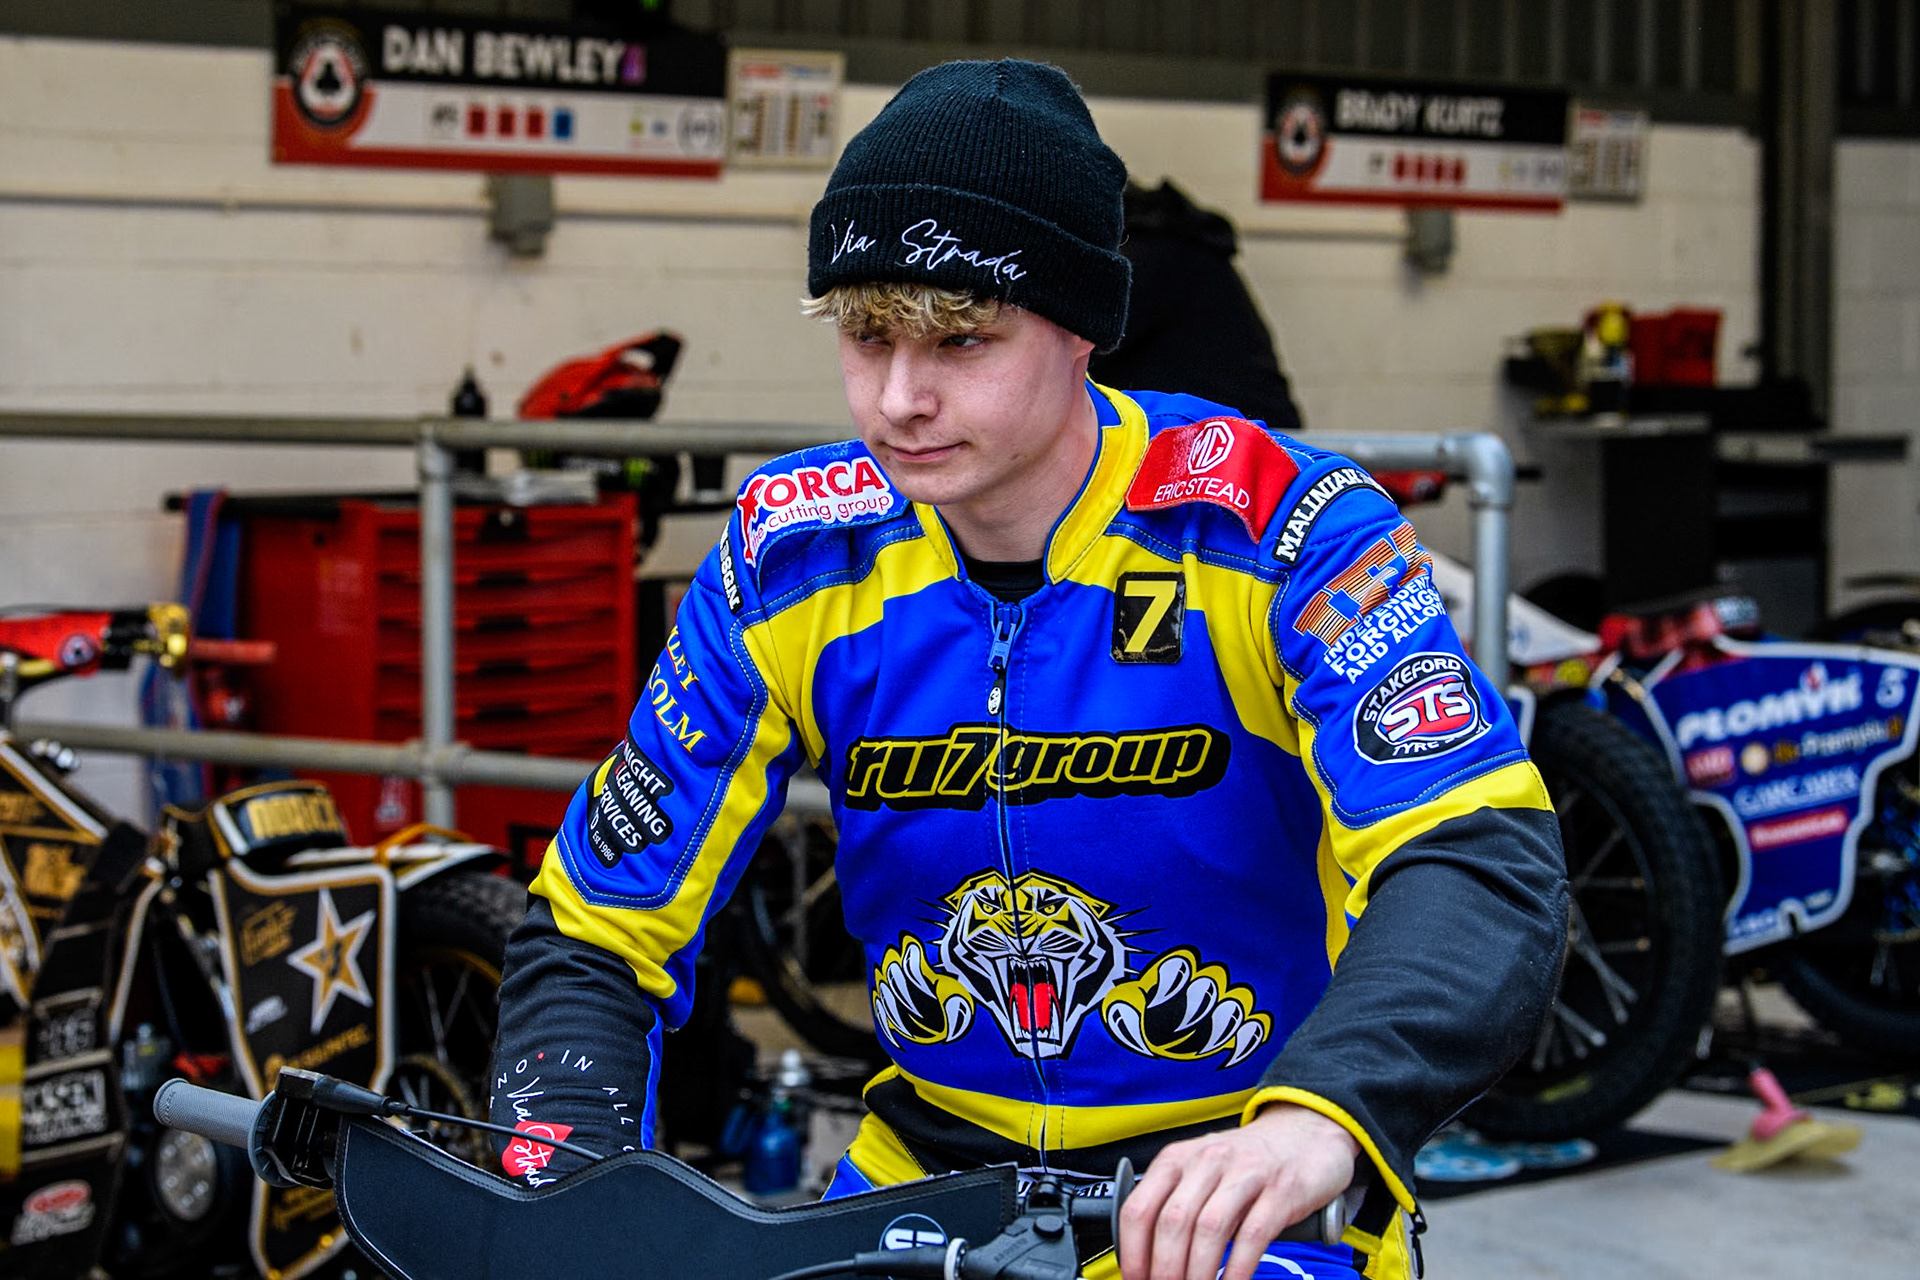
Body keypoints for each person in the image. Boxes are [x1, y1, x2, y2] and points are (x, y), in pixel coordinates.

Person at [489, 59, 1566, 1280]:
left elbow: (1478, 857)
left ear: (1081, 327)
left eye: (961, 337)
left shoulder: (1281, 530)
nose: (900, 397)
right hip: (918, 1198)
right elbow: (595, 925)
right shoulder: (789, 559)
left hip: (1227, 1202)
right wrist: (557, 1174)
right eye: (865, 334)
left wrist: (1324, 1114)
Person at [1088, 178, 1304, 436]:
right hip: (1236, 436)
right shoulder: (1168, 240)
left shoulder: (1152, 255)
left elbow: (1079, 346)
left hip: (1247, 447)